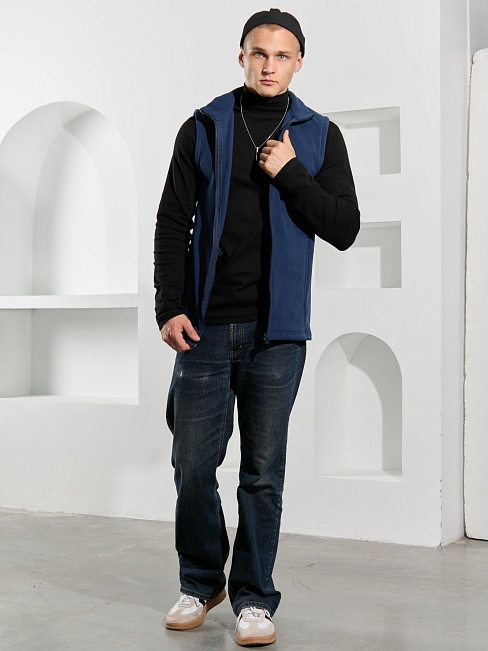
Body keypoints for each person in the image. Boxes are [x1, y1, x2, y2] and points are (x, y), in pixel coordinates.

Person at [154, 8, 360, 646]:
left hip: (278, 333)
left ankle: (253, 598)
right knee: (193, 465)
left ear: (299, 63)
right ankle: (200, 581)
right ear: (241, 56)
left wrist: (290, 172)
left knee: (262, 473)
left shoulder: (320, 135)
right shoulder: (204, 125)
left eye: (282, 55)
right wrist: (169, 305)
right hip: (205, 327)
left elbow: (344, 228)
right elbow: (172, 221)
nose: (270, 66)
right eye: (259, 53)